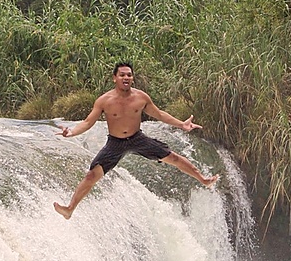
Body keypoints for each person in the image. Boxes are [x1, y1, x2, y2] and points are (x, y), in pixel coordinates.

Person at [53, 62, 219, 220]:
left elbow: (160, 114)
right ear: (114, 78)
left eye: (129, 75)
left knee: (173, 158)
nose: (126, 78)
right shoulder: (104, 100)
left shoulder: (141, 97)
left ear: (133, 78)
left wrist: (181, 124)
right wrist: (72, 132)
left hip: (137, 139)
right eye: (122, 75)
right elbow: (88, 122)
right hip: (115, 143)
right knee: (91, 176)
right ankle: (69, 209)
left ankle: (203, 179)